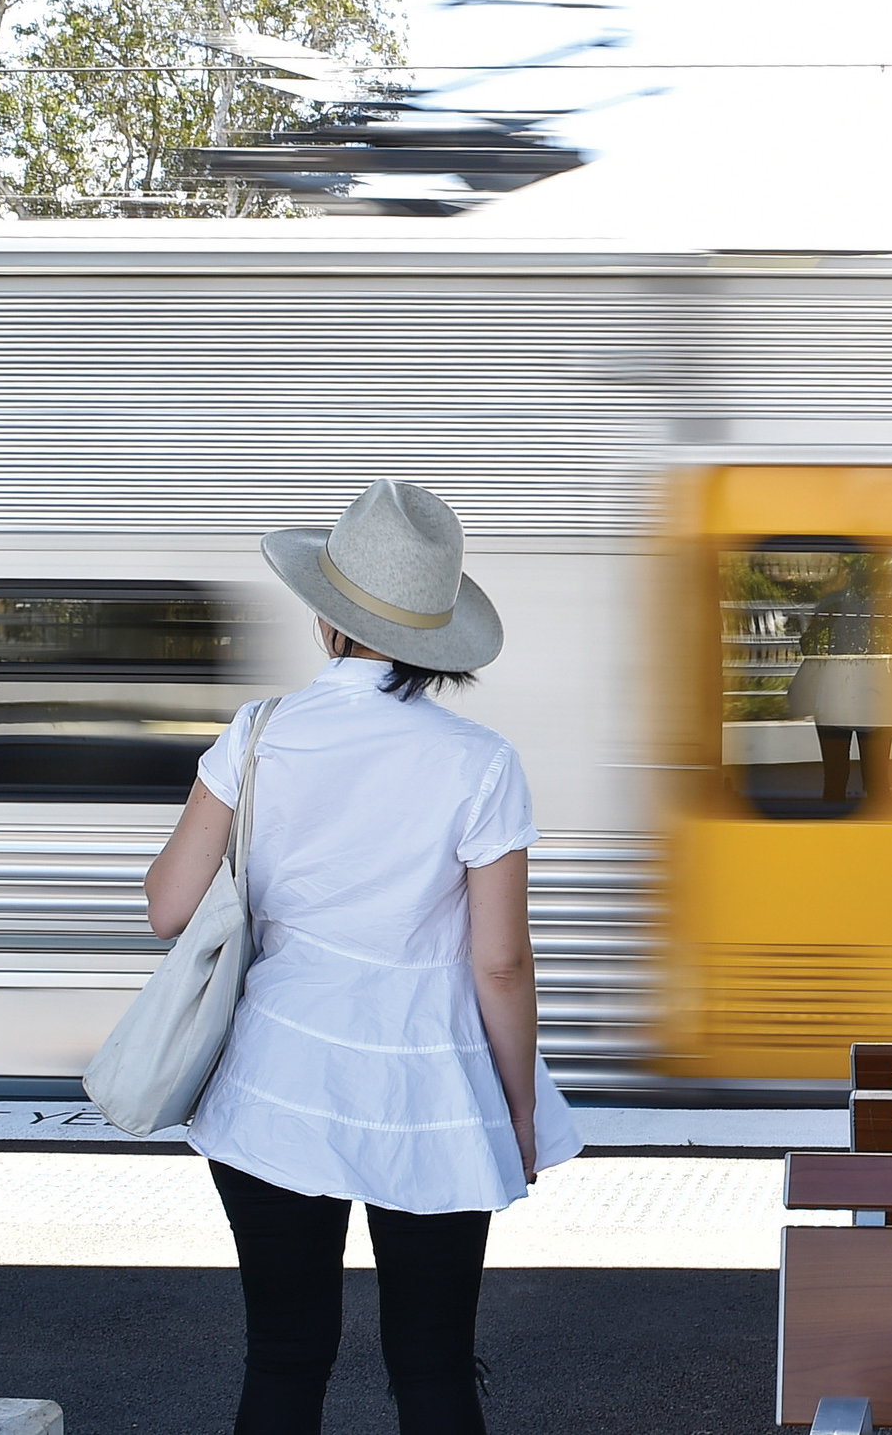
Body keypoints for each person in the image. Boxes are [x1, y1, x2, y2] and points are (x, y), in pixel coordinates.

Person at [143, 479, 583, 1435]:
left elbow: (169, 907)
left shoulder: (256, 735)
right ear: (435, 635)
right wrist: (517, 1105)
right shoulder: (481, 760)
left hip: (276, 1076)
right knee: (431, 1370)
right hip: (428, 1084)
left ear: (325, 616)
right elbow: (500, 962)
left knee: (285, 1358)